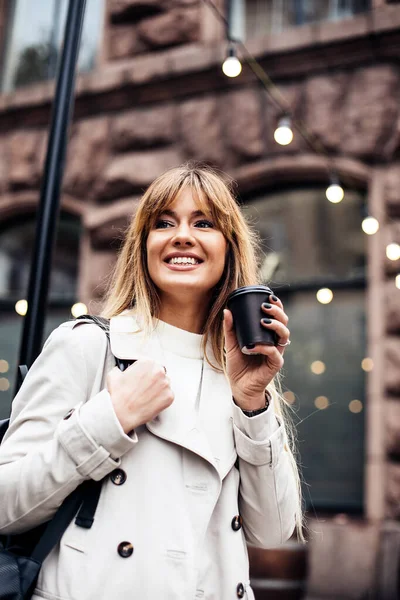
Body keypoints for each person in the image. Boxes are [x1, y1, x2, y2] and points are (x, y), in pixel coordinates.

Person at [0, 163, 302, 600]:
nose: (182, 235)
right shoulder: (88, 347)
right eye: (163, 223)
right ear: (144, 247)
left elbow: (273, 532)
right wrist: (108, 421)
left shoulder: (239, 370)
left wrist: (253, 402)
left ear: (229, 248)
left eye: (203, 223)